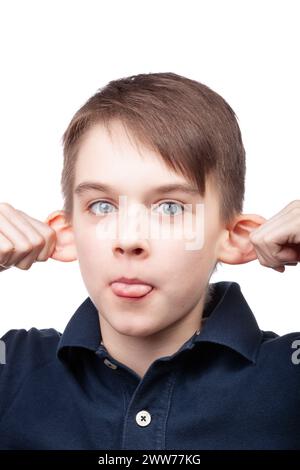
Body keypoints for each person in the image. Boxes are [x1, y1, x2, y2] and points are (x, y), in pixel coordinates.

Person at [0, 72, 299, 450]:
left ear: (233, 238)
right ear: (67, 232)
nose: (129, 239)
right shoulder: (14, 368)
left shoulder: (288, 377)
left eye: (170, 208)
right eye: (102, 206)